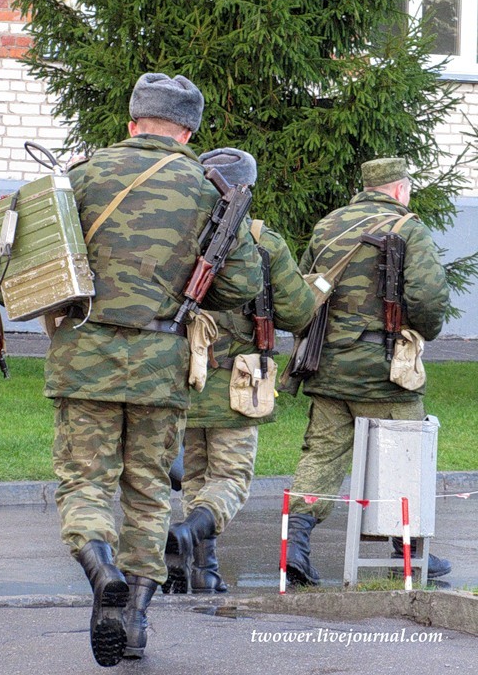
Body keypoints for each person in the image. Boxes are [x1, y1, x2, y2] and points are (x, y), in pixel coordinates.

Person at [44, 74, 263, 667]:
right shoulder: (210, 189)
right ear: (189, 131)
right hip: (162, 367)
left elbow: (29, 260)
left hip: (84, 360)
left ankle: (99, 567)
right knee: (147, 493)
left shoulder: (81, 176)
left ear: (133, 121)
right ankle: (134, 620)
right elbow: (242, 285)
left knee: (85, 482)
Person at [285, 157, 451, 586]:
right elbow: (429, 299)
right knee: (405, 453)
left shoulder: (327, 226)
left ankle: (296, 543)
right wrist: (423, 332)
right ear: (400, 189)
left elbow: (303, 294)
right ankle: (408, 550)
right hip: (385, 372)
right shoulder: (409, 228)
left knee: (321, 454)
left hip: (327, 366)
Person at [163, 148, 316, 594]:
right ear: (244, 189)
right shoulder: (263, 242)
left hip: (186, 377)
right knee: (230, 479)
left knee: (194, 475)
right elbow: (298, 311)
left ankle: (202, 569)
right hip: (240, 384)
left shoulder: (181, 234)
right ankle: (192, 537)